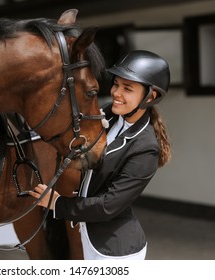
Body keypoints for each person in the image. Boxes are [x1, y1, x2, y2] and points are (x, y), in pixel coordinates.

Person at [29, 50, 172, 260]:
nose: (116, 93)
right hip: (89, 239)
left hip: (115, 250)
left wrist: (58, 204)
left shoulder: (146, 149)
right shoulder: (109, 115)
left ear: (151, 96)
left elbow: (108, 206)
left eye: (127, 88)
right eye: (116, 84)